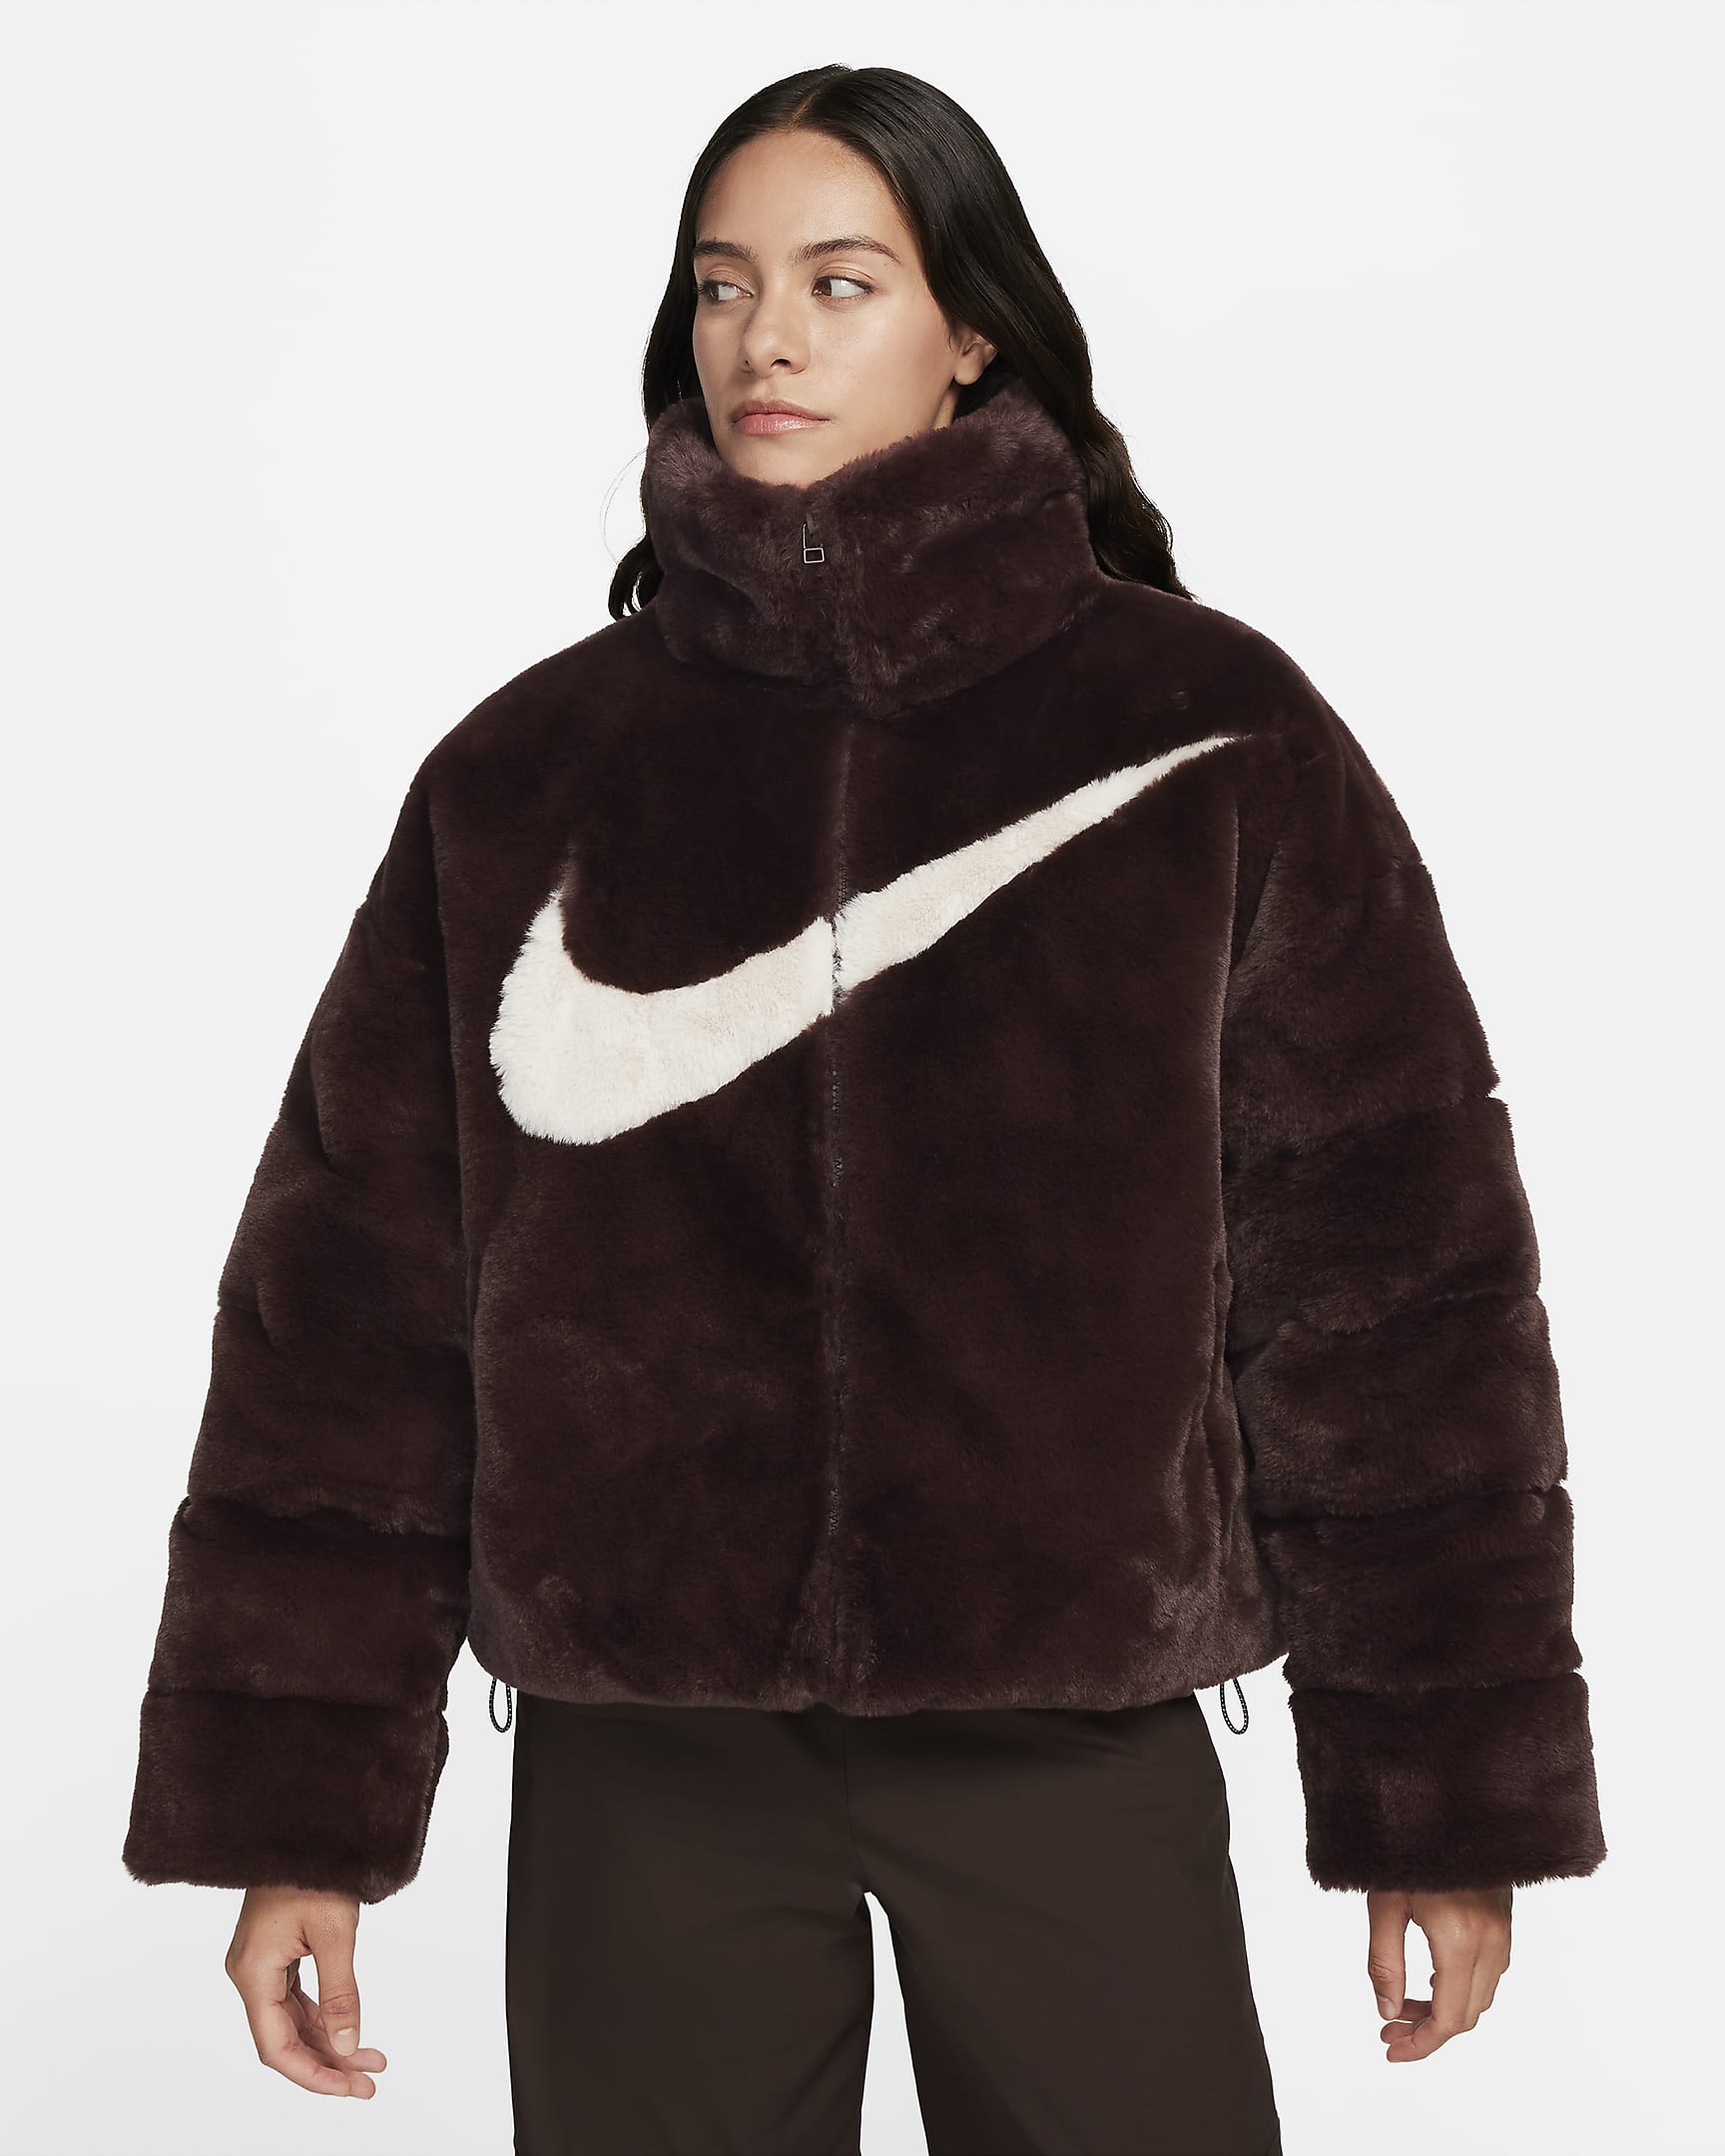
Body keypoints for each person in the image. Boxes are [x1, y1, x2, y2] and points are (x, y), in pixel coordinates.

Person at [121, 62, 1606, 2156]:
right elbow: (348, 1321)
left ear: (970, 327)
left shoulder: (1209, 735)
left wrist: (1438, 1802)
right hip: (650, 1762)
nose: (768, 340)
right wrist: (298, 1817)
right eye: (723, 284)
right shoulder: (526, 776)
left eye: (840, 280)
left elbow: (1398, 1293)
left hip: (1068, 1734)